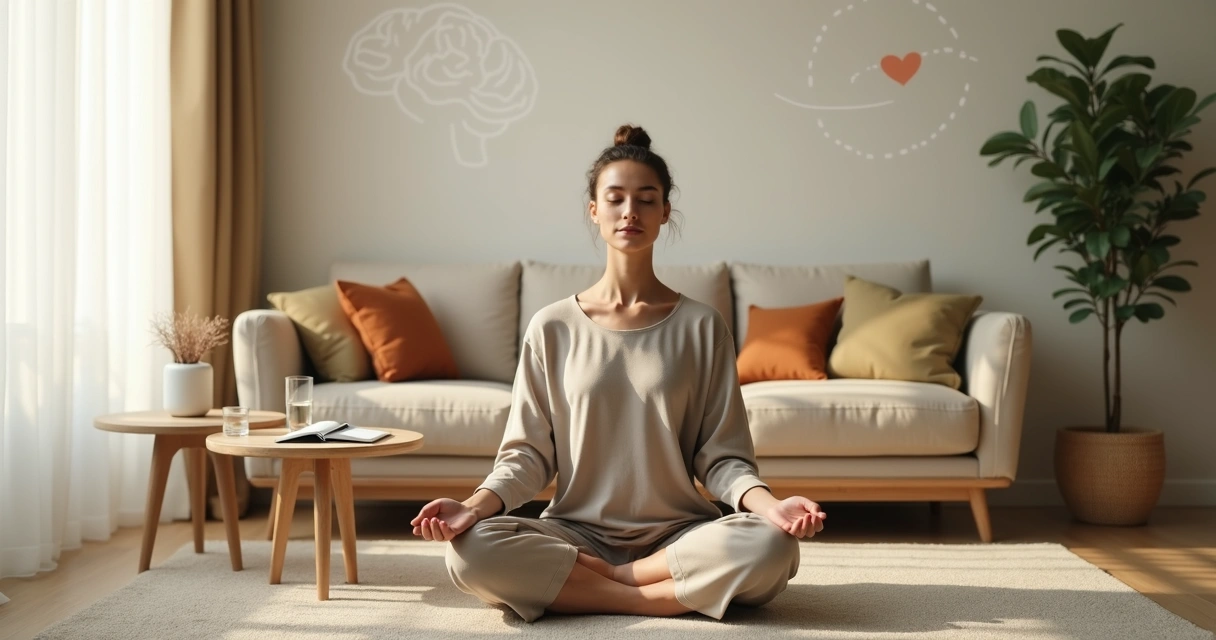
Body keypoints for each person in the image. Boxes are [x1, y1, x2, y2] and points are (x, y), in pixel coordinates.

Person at [409, 124, 827, 622]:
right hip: (576, 534)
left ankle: (608, 584)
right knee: (470, 550)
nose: (631, 211)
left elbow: (723, 459)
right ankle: (654, 594)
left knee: (772, 548)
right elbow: (526, 457)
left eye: (647, 199)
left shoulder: (701, 326)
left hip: (681, 535)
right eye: (616, 198)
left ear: (665, 212)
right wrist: (472, 509)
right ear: (595, 210)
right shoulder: (551, 328)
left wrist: (770, 507)